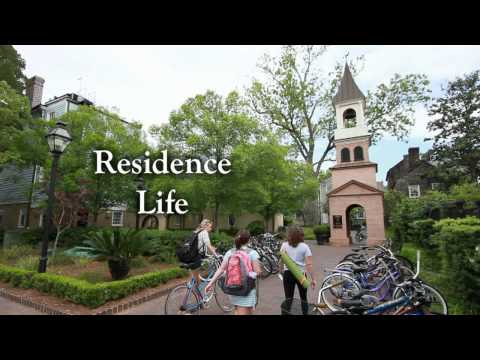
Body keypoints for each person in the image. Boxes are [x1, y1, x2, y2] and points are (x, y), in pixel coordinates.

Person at [205, 229, 262, 315]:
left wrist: (210, 283)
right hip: (247, 289)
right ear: (248, 240)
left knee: (238, 309)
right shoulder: (252, 253)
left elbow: (221, 269)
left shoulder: (230, 252)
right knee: (243, 311)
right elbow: (258, 272)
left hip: (233, 287)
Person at [279, 225, 316, 315]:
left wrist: (281, 270)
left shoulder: (284, 245)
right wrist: (313, 279)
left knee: (288, 298)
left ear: (289, 235)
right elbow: (309, 264)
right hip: (301, 275)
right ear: (301, 235)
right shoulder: (305, 247)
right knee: (304, 298)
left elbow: (282, 260)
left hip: (288, 274)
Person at [190, 219, 218, 294]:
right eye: (210, 226)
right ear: (206, 226)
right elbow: (208, 245)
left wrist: (212, 248)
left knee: (195, 277)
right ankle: (200, 298)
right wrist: (216, 255)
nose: (211, 228)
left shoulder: (197, 231)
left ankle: (196, 291)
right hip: (197, 257)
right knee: (200, 280)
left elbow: (202, 244)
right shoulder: (204, 232)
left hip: (191, 256)